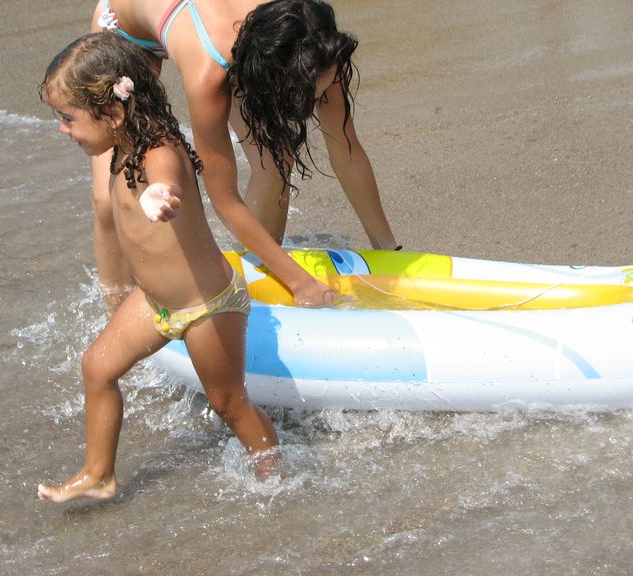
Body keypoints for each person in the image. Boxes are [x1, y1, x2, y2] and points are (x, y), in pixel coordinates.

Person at [36, 32, 279, 503]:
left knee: (229, 403)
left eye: (68, 118)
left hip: (207, 307)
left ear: (113, 113)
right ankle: (98, 475)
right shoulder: (119, 148)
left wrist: (159, 195)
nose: (63, 129)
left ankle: (276, 476)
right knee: (96, 368)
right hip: (155, 303)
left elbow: (167, 181)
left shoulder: (159, 152)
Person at [90, 0, 399, 314]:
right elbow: (224, 199)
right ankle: (117, 315)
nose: (317, 104)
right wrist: (300, 282)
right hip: (126, 28)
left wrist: (389, 250)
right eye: (307, 97)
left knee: (276, 160)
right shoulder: (208, 75)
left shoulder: (316, 42)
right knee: (108, 201)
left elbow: (347, 152)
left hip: (233, 39)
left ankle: (258, 274)